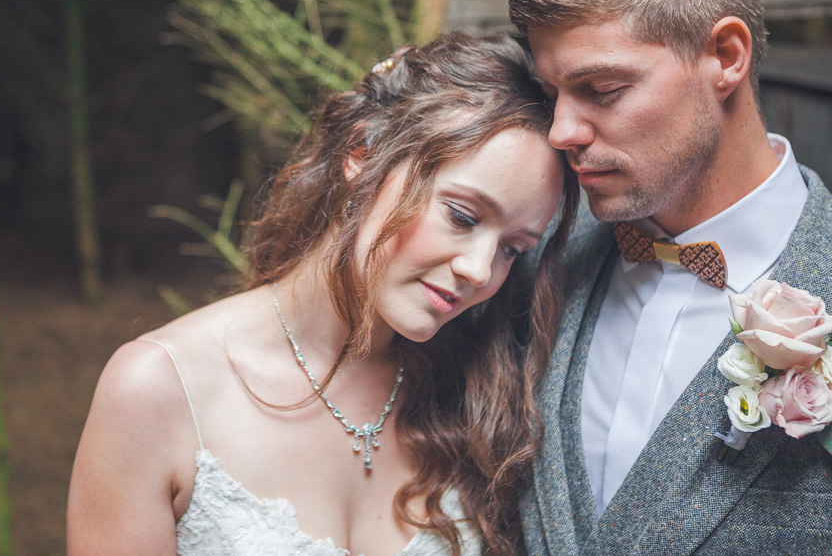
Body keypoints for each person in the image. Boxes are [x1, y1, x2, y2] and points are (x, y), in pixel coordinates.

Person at [66, 32, 579, 556]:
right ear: (363, 154)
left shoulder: (483, 392)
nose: (480, 270)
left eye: (512, 249)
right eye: (462, 216)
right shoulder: (157, 391)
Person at [507, 0, 832, 554]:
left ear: (726, 56)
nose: (562, 131)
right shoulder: (520, 264)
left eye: (603, 90)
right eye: (551, 96)